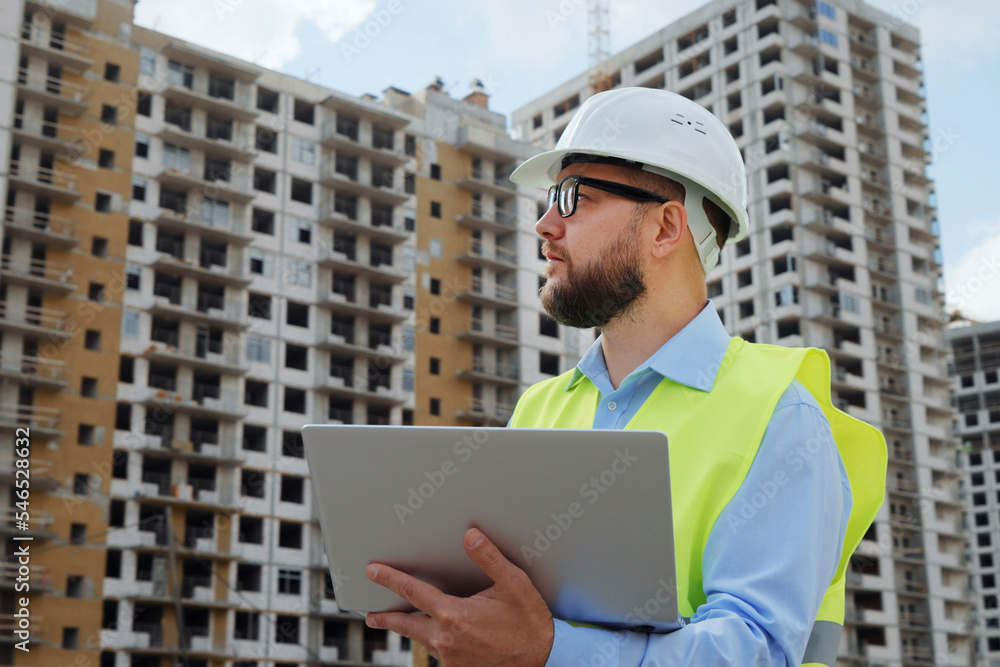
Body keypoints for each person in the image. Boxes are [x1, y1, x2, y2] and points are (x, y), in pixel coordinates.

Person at [364, 87, 886, 666]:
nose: (544, 225)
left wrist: (549, 650)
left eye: (572, 198)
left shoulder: (780, 415)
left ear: (665, 228)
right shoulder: (537, 410)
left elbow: (754, 651)